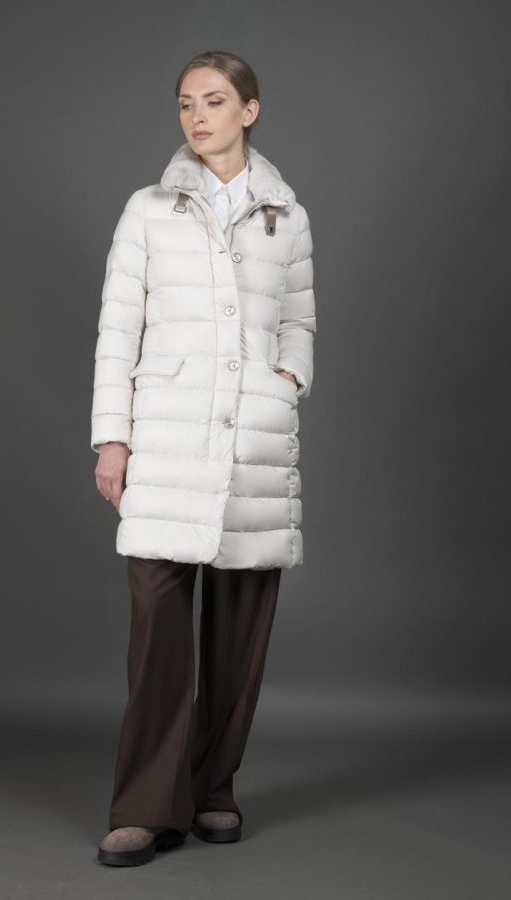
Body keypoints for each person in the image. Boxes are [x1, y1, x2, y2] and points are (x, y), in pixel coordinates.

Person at [91, 50, 317, 867]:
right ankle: (145, 808)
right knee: (158, 627)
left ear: (249, 110)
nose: (197, 117)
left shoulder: (287, 215)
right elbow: (119, 325)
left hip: (252, 435)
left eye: (215, 101)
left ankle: (214, 789)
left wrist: (286, 381)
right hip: (167, 435)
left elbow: (298, 318)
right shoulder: (148, 209)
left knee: (239, 627)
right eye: (186, 103)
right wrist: (111, 436)